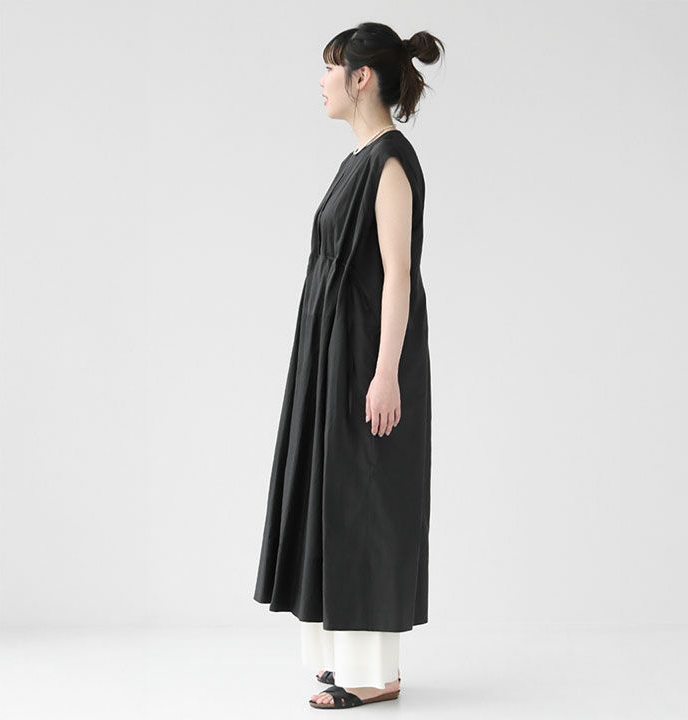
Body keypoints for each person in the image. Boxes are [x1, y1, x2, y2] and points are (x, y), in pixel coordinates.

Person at [253, 21, 444, 710]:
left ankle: (370, 675)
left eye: (330, 68)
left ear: (361, 77)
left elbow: (399, 275)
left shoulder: (389, 162)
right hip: (336, 355)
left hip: (365, 356)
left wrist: (385, 372)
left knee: (364, 501)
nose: (322, 81)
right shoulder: (359, 160)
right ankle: (361, 664)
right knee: (338, 498)